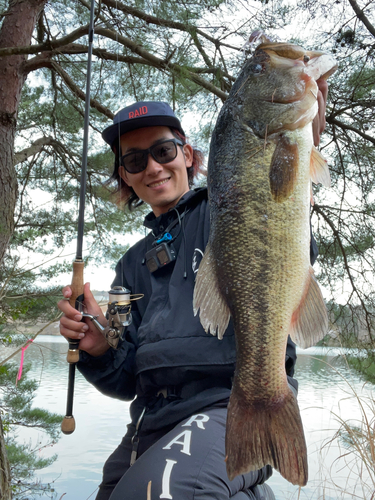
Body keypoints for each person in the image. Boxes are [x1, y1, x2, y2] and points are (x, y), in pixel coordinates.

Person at [58, 82, 328, 500]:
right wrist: (99, 349)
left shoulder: (226, 206)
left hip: (231, 400)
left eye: (163, 151)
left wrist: (302, 137)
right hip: (153, 421)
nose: (152, 167)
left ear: (187, 154)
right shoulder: (130, 265)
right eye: (134, 159)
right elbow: (128, 377)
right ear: (125, 177)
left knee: (159, 492)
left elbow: (280, 205)